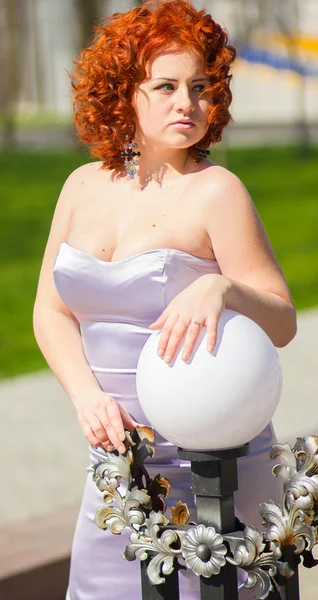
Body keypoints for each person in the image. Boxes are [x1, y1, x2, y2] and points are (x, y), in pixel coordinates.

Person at [33, 0, 297, 598]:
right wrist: (86, 397)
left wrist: (222, 285)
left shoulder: (217, 191)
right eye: (167, 86)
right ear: (125, 92)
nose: (189, 103)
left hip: (214, 469)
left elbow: (282, 320)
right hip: (116, 464)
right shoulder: (80, 186)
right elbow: (49, 310)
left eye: (202, 87)